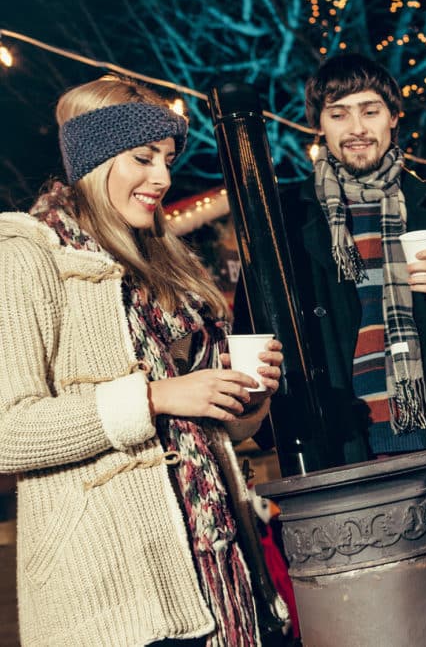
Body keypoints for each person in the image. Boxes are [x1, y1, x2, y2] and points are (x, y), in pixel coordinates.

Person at [0, 76, 288, 646]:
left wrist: (246, 400)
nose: (162, 177)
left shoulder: (164, 266)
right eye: (143, 157)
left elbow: (206, 430)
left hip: (215, 571)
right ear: (94, 157)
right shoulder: (29, 256)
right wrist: (153, 396)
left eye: (167, 159)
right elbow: (8, 431)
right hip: (114, 598)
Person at [239, 53, 426, 645]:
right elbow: (251, 327)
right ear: (320, 126)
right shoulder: (286, 218)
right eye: (339, 113)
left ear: (393, 119)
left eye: (370, 110)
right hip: (346, 451)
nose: (356, 126)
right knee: (375, 622)